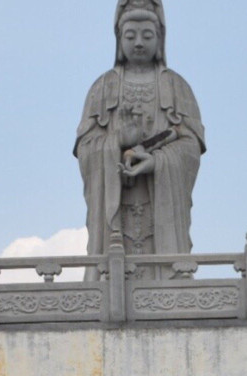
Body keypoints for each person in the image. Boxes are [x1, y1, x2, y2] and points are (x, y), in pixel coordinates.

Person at [75, 0, 205, 277]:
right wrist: (117, 141)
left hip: (160, 205)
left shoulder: (176, 86)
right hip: (116, 205)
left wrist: (157, 162)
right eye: (130, 35)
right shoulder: (102, 87)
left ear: (160, 39)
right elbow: (85, 148)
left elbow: (192, 145)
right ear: (118, 39)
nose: (138, 43)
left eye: (147, 35)